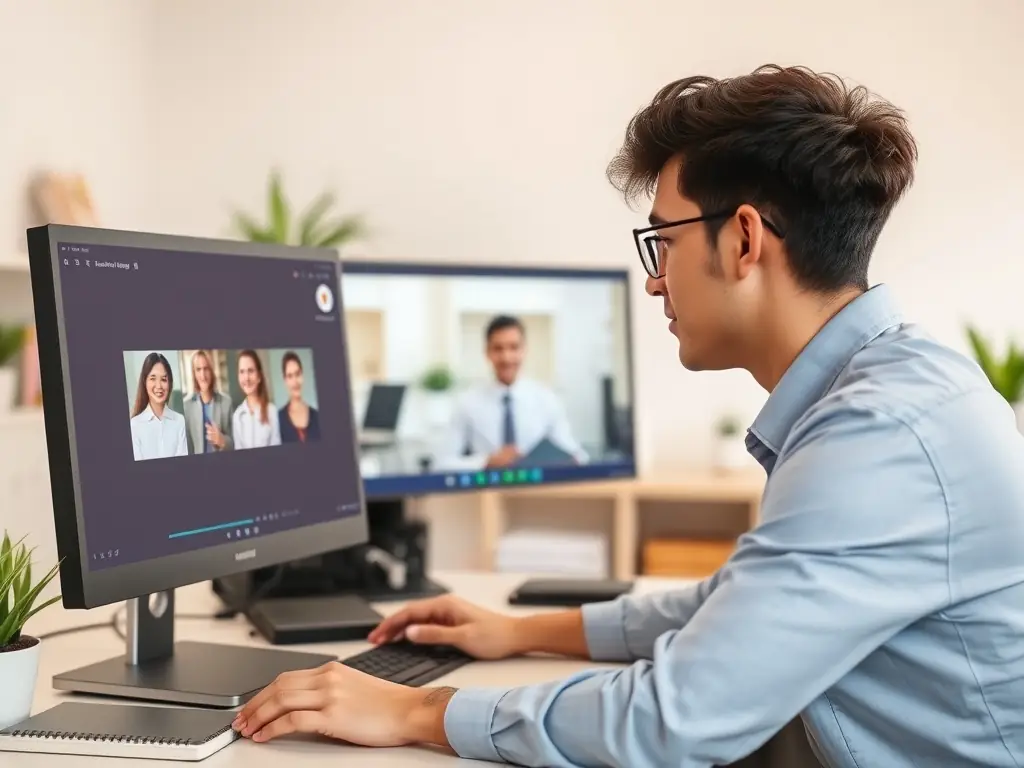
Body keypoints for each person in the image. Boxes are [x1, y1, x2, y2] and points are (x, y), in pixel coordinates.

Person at [230, 65, 1024, 767]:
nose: (654, 280)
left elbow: (674, 720)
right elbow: (741, 608)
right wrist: (520, 632)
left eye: (663, 242)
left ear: (744, 240)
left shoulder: (877, 434)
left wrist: (416, 711)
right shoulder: (893, 385)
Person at [439, 315, 587, 469]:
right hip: (490, 483)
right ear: (487, 352)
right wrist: (486, 461)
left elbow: (576, 455)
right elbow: (443, 463)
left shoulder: (547, 399)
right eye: (498, 349)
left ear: (524, 350)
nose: (506, 358)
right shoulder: (467, 404)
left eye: (514, 347)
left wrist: (573, 460)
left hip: (537, 483)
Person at [129, 352, 187, 460]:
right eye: (153, 378)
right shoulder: (134, 425)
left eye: (164, 379)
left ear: (170, 383)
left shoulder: (180, 421)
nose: (159, 386)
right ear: (144, 382)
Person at [182, 350, 233, 454]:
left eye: (206, 369)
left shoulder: (226, 403)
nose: (203, 375)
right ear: (194, 373)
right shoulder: (187, 407)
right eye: (198, 369)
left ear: (211, 371)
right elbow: (188, 448)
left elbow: (235, 443)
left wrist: (222, 440)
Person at [231, 349, 281, 449]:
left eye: (251, 371)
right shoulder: (237, 416)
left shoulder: (272, 412)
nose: (246, 378)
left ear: (259, 376)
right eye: (242, 372)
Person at [278, 351, 321, 443]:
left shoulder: (317, 416)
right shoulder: (278, 419)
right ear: (285, 381)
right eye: (290, 376)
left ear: (302, 376)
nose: (295, 381)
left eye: (298, 374)